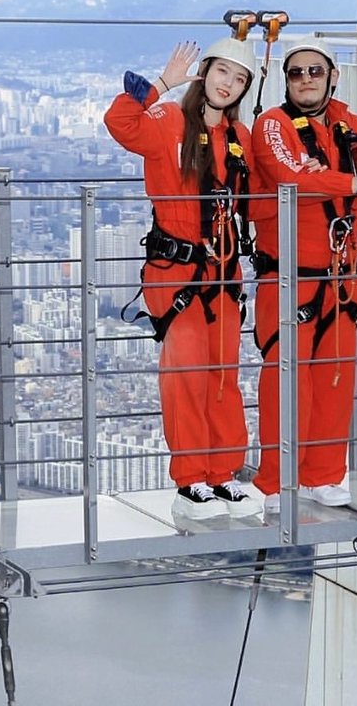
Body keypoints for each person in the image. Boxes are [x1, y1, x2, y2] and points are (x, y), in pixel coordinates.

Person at [249, 37, 357, 514]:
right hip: (288, 277)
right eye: (295, 73)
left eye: (314, 71)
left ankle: (323, 475)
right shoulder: (273, 125)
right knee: (287, 380)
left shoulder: (345, 125)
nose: (305, 79)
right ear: (286, 82)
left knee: (334, 378)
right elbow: (292, 177)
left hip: (342, 278)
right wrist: (356, 183)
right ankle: (275, 480)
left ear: (333, 76)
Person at [104, 38, 260, 520]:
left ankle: (223, 474)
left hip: (225, 274)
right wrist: (162, 84)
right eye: (221, 73)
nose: (227, 84)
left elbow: (261, 188)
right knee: (187, 375)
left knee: (223, 377)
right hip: (178, 274)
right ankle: (191, 479)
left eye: (239, 79)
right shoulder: (170, 122)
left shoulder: (240, 137)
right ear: (205, 73)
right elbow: (120, 124)